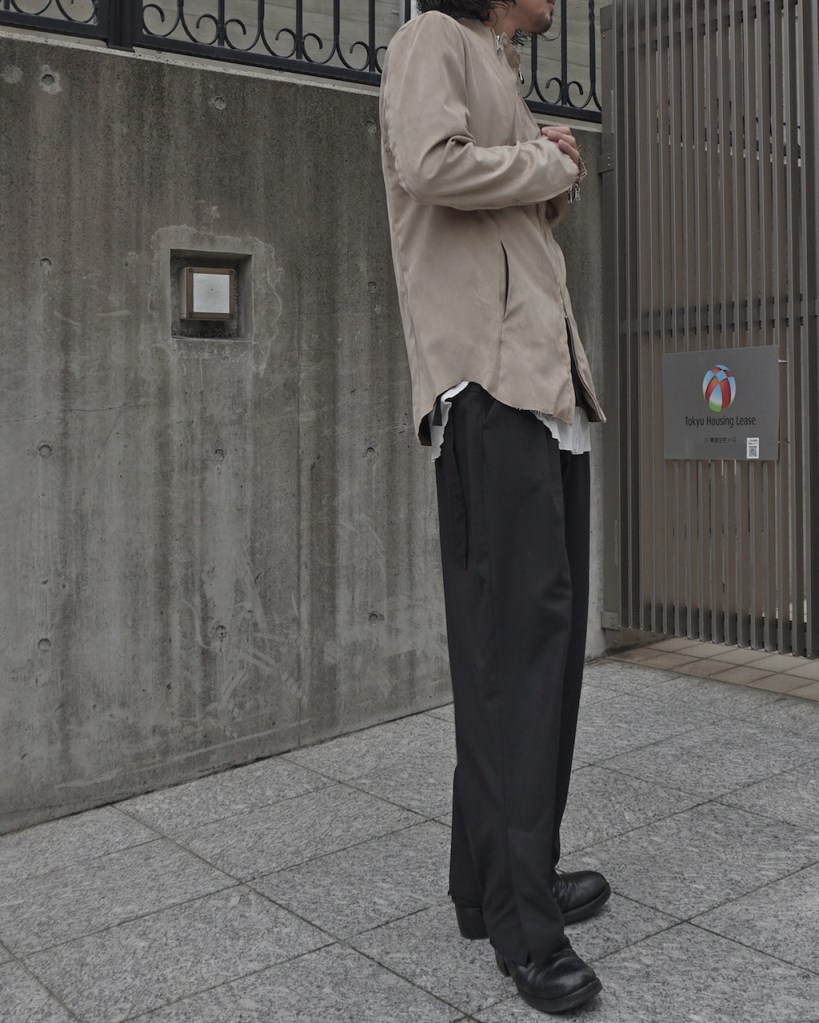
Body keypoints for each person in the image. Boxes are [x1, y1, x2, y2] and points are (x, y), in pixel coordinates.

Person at [379, 0, 609, 1015]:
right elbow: (429, 167)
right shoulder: (430, 37)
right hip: (487, 389)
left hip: (544, 394)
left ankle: (494, 882)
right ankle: (524, 926)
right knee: (513, 659)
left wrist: (546, 167)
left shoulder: (496, 62)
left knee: (535, 655)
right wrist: (543, 163)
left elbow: (504, 214)